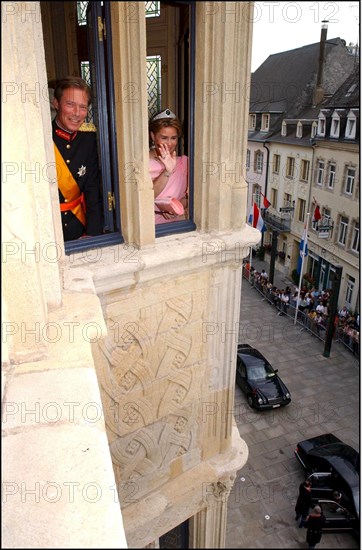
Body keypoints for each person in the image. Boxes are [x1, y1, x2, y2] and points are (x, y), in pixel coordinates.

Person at [52, 76, 103, 241]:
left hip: (79, 228)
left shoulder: (87, 138)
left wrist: (92, 233)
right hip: (49, 229)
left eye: (82, 107)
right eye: (70, 104)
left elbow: (92, 188)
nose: (76, 113)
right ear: (56, 104)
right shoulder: (40, 137)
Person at [149, 109, 188, 224]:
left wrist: (178, 206)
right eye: (164, 138)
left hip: (178, 226)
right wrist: (167, 171)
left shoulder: (184, 163)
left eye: (173, 138)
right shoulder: (141, 163)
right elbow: (144, 198)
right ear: (153, 136)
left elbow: (194, 198)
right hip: (150, 228)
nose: (169, 144)